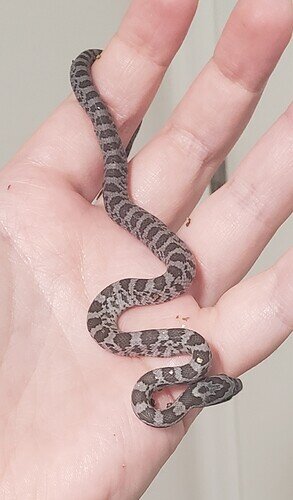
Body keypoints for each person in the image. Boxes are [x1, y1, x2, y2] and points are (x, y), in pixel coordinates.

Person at [0, 0, 292, 497]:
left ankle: (94, 106)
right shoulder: (191, 357)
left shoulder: (171, 372)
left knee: (124, 202)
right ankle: (91, 97)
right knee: (124, 200)